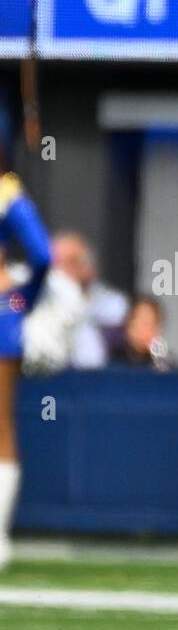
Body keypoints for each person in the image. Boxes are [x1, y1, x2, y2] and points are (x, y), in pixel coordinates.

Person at [0, 169, 49, 568]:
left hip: (2, 312)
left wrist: (18, 301)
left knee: (1, 426)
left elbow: (43, 254)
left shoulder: (8, 193)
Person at [49, 230, 128, 369]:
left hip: (101, 381)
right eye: (57, 263)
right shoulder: (41, 302)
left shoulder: (113, 303)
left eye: (71, 262)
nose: (61, 270)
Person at [111, 296, 172, 371]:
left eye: (153, 323)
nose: (148, 329)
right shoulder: (113, 364)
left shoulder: (167, 367)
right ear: (129, 326)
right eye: (143, 323)